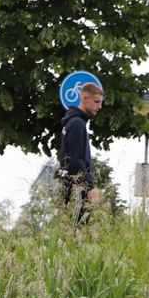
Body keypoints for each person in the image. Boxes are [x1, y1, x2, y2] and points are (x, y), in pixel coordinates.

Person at [58, 82, 102, 225]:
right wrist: (89, 187)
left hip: (70, 186)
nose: (99, 106)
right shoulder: (77, 124)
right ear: (85, 99)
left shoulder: (73, 122)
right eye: (96, 102)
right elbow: (76, 160)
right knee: (77, 231)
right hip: (76, 190)